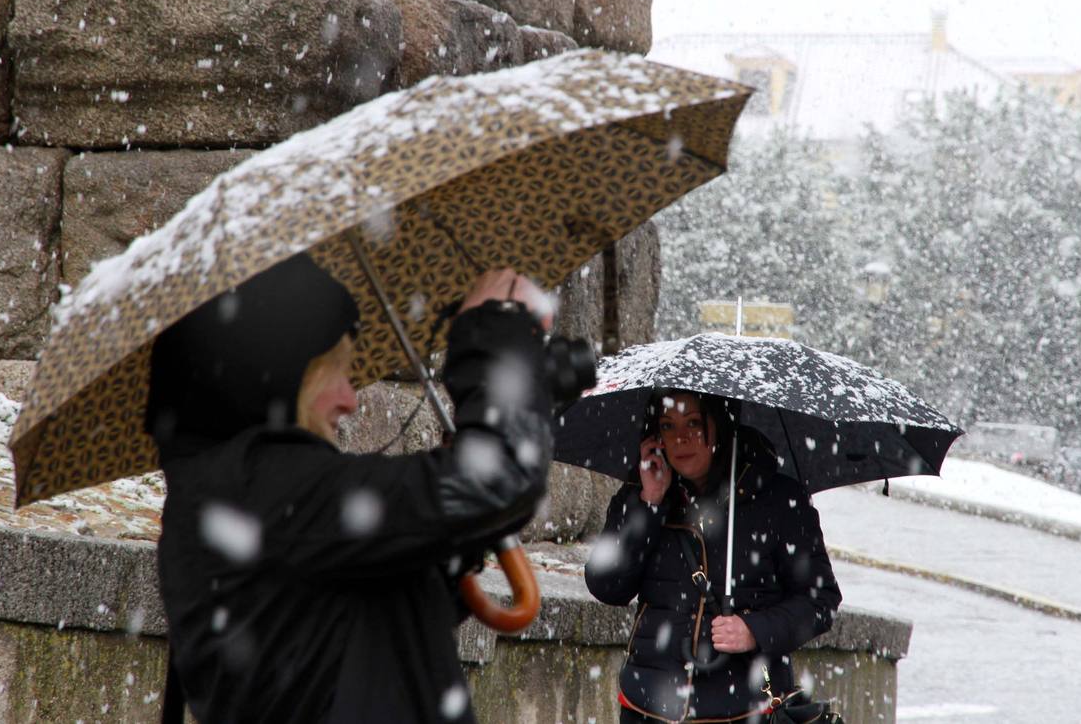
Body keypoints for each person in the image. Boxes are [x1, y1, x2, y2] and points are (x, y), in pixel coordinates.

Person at [145, 252, 555, 723]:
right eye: (334, 372)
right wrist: (495, 337)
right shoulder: (264, 489)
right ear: (277, 374)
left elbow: (372, 632)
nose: (351, 399)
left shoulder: (237, 494)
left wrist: (452, 544)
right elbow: (500, 477)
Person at [585, 390, 841, 722]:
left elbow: (820, 601)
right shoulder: (641, 494)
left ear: (720, 425)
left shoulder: (780, 501)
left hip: (742, 709)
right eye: (667, 425)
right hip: (648, 706)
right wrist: (649, 505)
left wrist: (754, 629)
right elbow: (607, 586)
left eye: (693, 422)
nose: (681, 438)